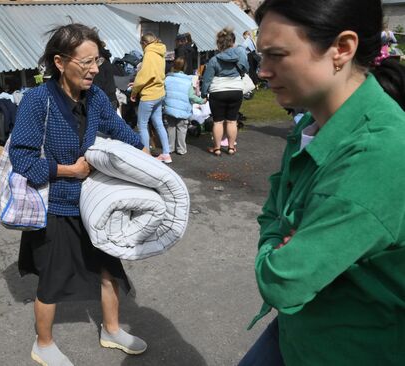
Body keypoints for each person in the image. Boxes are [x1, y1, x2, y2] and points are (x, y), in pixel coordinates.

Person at [239, 1, 405, 365]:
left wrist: (275, 249)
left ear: (342, 49)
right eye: (261, 55)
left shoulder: (380, 153)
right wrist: (283, 236)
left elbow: (283, 281)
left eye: (277, 55)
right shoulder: (309, 123)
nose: (263, 71)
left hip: (349, 347)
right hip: (298, 331)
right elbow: (276, 204)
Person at [9, 23, 148, 366]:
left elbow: (120, 132)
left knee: (109, 268)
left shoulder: (96, 98)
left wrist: (146, 155)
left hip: (92, 203)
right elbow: (22, 159)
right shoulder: (37, 101)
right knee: (53, 278)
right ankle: (43, 344)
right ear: (60, 62)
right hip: (54, 206)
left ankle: (111, 330)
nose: (95, 69)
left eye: (97, 60)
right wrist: (67, 171)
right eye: (86, 62)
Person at [201, 26, 249, 156]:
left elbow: (207, 79)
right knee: (232, 121)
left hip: (218, 91)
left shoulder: (214, 60)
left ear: (219, 44)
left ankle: (216, 148)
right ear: (233, 42)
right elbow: (245, 69)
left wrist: (204, 94)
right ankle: (231, 147)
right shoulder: (241, 55)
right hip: (235, 90)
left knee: (218, 121)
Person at [131, 33, 172, 163]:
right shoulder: (160, 52)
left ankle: (146, 155)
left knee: (142, 125)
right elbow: (154, 73)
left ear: (144, 43)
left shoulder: (149, 54)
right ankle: (166, 153)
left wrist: (134, 91)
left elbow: (144, 76)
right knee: (158, 123)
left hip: (149, 95)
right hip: (159, 92)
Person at [163, 57, 206, 155]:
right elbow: (192, 97)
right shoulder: (188, 81)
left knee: (171, 128)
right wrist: (201, 101)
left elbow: (163, 93)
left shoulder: (167, 79)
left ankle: (170, 147)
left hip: (169, 109)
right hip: (183, 110)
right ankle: (181, 149)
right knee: (182, 129)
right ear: (184, 67)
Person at [93, 42, 118, 111]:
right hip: (112, 97)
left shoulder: (100, 63)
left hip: (104, 99)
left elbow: (98, 83)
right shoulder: (106, 59)